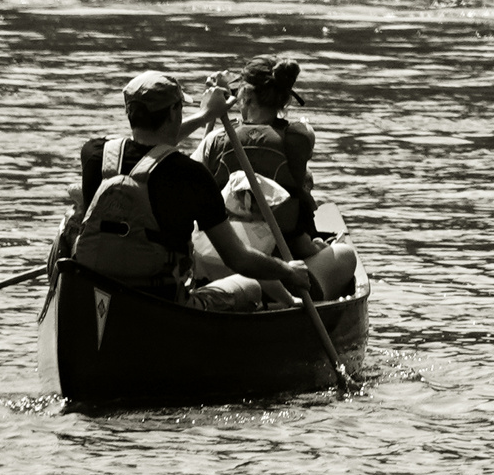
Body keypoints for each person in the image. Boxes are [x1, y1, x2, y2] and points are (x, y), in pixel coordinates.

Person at [64, 70, 310, 312]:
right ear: (174, 112)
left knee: (69, 224)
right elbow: (238, 259)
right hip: (165, 303)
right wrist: (288, 271)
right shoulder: (191, 175)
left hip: (95, 291)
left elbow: (144, 147)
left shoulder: (95, 155)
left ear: (130, 112)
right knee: (251, 286)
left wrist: (205, 116)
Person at [194, 55, 357, 299]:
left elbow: (195, 175)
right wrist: (314, 247)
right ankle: (305, 301)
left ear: (245, 97)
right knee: (345, 254)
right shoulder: (299, 138)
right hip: (283, 271)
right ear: (284, 98)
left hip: (218, 265)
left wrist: (210, 114)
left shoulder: (215, 140)